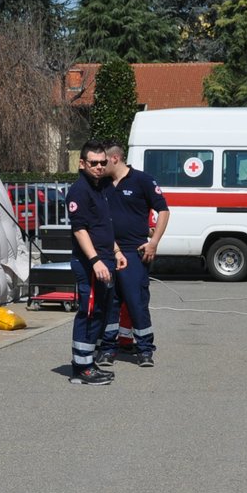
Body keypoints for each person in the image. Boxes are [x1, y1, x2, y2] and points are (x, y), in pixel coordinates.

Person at [95, 139, 169, 369]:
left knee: (136, 303)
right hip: (107, 253)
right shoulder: (101, 184)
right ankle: (108, 348)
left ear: (115, 158)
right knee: (110, 303)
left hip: (134, 252)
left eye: (103, 161)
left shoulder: (142, 181)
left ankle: (145, 349)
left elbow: (164, 211)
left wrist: (154, 242)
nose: (99, 166)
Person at [65, 140, 125, 385]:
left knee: (99, 312)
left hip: (105, 260)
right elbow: (80, 230)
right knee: (89, 313)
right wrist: (96, 260)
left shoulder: (99, 188)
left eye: (103, 162)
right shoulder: (80, 190)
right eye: (94, 163)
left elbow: (102, 227)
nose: (99, 167)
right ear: (82, 163)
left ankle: (86, 361)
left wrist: (116, 251)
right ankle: (81, 367)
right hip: (91, 265)